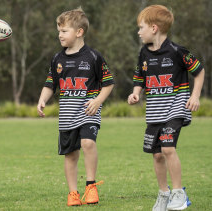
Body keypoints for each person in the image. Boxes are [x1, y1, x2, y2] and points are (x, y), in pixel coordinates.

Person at [128, 5, 205, 211]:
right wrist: (136, 92)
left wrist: (195, 96)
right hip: (154, 111)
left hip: (176, 107)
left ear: (154, 28)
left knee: (168, 148)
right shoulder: (143, 53)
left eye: (141, 27)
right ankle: (164, 194)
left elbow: (199, 71)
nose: (138, 32)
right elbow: (139, 78)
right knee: (157, 154)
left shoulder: (178, 51)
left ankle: (179, 193)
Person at [37, 7, 114, 207]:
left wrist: (98, 101)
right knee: (71, 154)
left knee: (88, 144)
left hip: (88, 112)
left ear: (79, 32)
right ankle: (73, 193)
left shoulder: (94, 57)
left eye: (64, 31)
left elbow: (108, 83)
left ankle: (90, 186)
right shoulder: (57, 59)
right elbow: (50, 84)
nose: (59, 35)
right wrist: (42, 99)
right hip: (67, 116)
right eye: (59, 31)